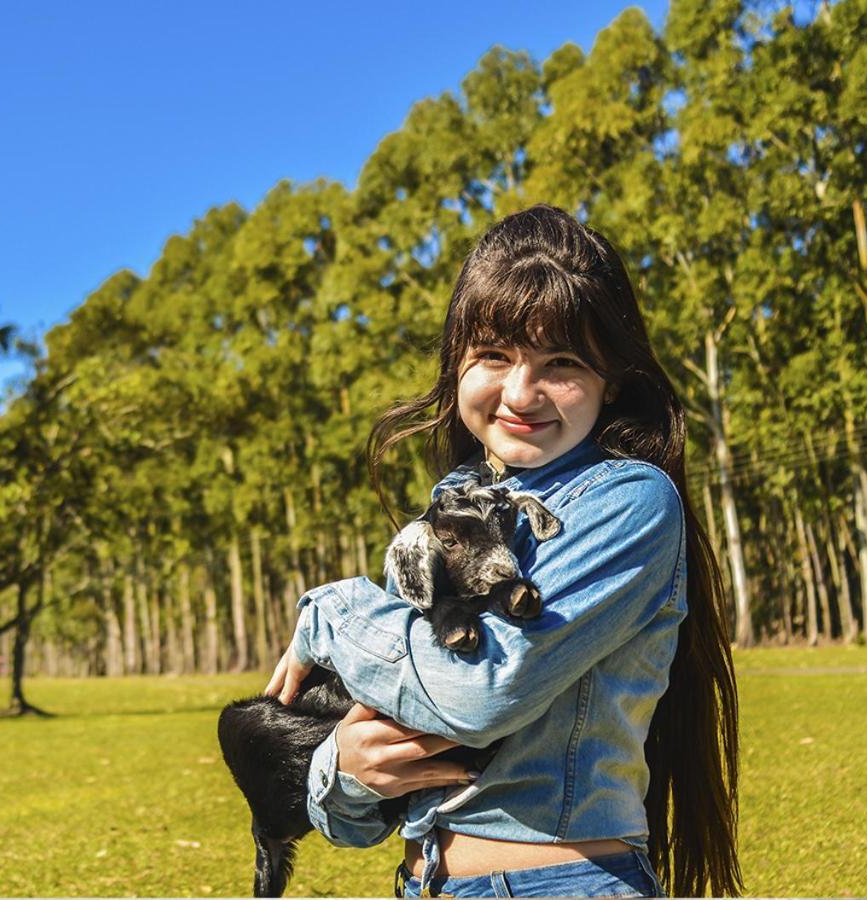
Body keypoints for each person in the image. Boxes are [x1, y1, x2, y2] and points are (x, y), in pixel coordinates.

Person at [264, 205, 741, 897]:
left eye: (563, 362)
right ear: (457, 360)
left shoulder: (631, 501)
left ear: (612, 382)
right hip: (423, 881)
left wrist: (332, 614)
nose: (521, 392)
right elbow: (358, 814)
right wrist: (343, 765)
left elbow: (482, 691)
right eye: (494, 355)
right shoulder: (454, 501)